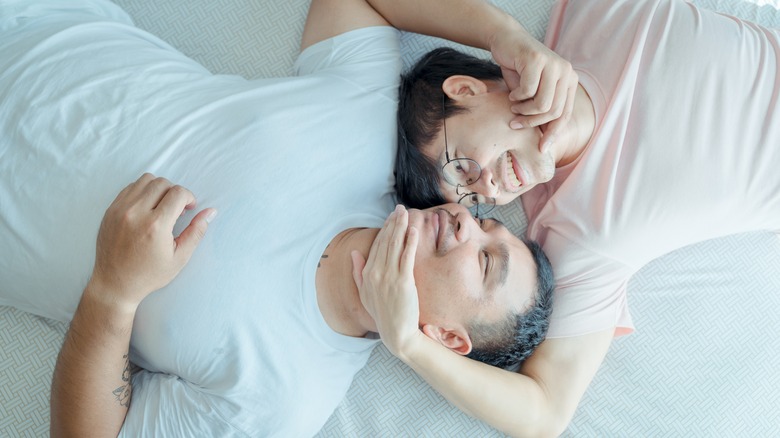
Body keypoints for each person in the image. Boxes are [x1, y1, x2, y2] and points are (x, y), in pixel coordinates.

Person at [0, 0, 559, 435]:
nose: (466, 223)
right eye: (485, 221)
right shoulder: (367, 121)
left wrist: (111, 294)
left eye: (485, 263)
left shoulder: (282, 400)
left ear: (446, 338)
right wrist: (503, 34)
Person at [381, 0, 780, 435]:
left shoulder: (594, 13)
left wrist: (503, 35)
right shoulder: (579, 236)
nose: (491, 190)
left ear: (466, 90)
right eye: (475, 199)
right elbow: (544, 412)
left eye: (461, 167)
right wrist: (408, 345)